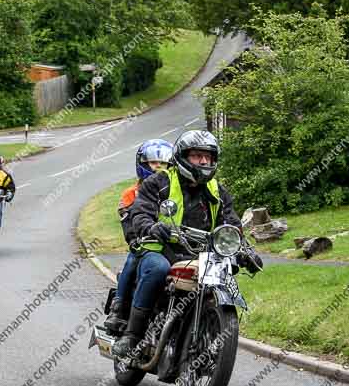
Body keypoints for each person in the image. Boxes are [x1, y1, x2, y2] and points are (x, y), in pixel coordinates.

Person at [111, 130, 262, 357]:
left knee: (226, 273)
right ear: (182, 157)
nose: (204, 161)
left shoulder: (218, 191)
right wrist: (151, 227)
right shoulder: (158, 182)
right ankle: (132, 335)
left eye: (208, 157)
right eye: (197, 156)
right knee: (157, 269)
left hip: (201, 254)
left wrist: (244, 249)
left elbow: (231, 224)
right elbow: (141, 212)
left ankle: (201, 329)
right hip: (161, 248)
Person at [104, 139, 174, 336]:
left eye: (164, 164)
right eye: (154, 163)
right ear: (143, 165)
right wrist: (134, 238)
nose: (159, 167)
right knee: (133, 259)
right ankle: (118, 306)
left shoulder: (171, 191)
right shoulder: (131, 193)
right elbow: (127, 218)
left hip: (169, 244)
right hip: (143, 242)